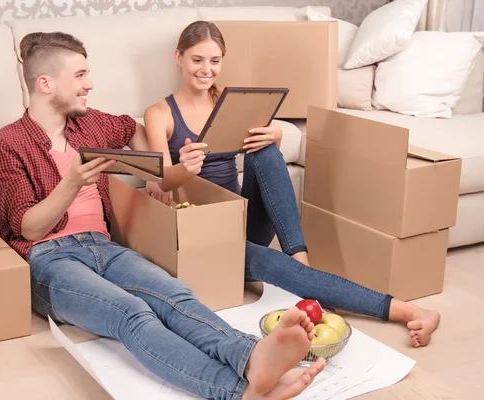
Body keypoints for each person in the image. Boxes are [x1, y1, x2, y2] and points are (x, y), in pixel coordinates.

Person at [0, 31, 327, 400]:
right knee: (131, 312)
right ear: (45, 83)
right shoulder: (5, 144)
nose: (90, 84)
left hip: (105, 246)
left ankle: (253, 357)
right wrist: (72, 183)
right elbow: (29, 228)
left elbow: (133, 130)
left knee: (175, 294)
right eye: (80, 75)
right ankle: (238, 392)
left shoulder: (88, 124)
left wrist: (155, 173)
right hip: (50, 259)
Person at [143, 21, 441, 349]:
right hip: (209, 239)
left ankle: (301, 264)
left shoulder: (229, 102)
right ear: (179, 57)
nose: (206, 69)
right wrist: (184, 169)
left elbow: (265, 142)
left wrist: (278, 133)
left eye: (215, 61)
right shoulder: (160, 113)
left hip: (243, 223)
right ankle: (408, 310)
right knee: (272, 264)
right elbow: (161, 180)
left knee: (266, 150)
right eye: (197, 60)